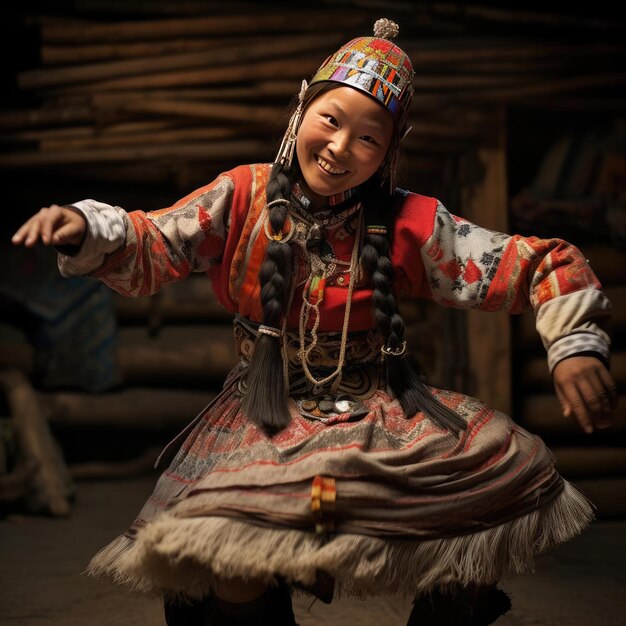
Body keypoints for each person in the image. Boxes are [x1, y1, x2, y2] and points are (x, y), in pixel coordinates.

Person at [12, 18, 618, 626]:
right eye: (331, 120)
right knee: (231, 557)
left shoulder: (409, 222)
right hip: (264, 416)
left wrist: (575, 345)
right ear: (303, 107)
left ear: (390, 150)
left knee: (505, 477)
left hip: (377, 412)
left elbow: (534, 263)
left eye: (367, 139)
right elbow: (155, 241)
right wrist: (87, 226)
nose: (338, 147)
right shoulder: (242, 197)